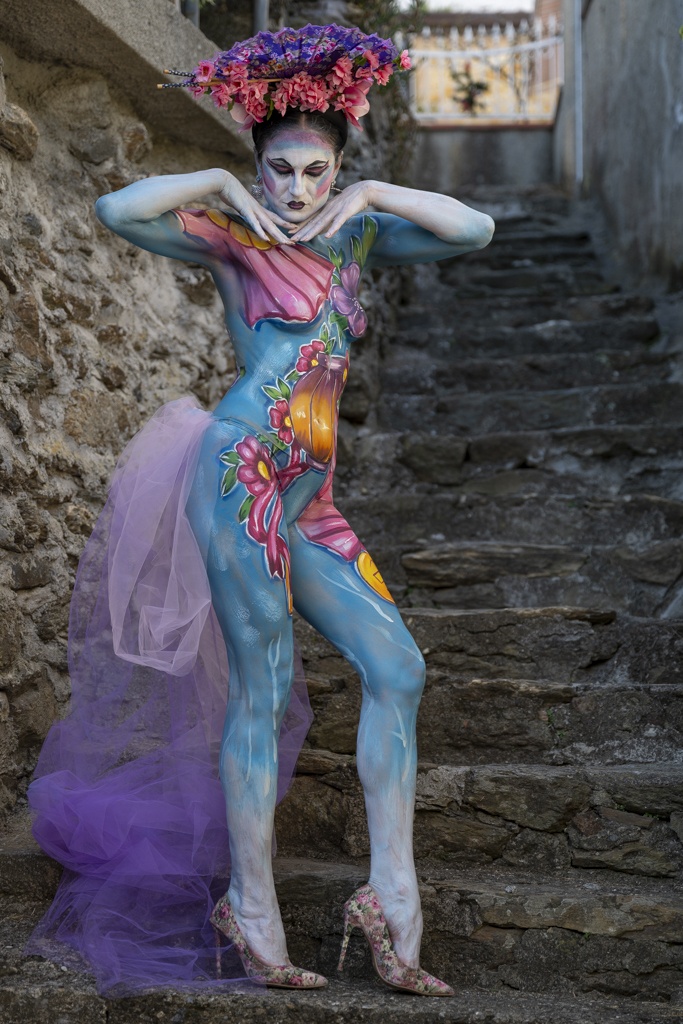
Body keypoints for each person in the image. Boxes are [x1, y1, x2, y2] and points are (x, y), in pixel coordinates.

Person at [26, 24, 494, 998]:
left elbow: (472, 229)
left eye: (315, 171)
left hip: (312, 498)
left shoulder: (357, 234)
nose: (296, 189)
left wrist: (370, 194)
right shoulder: (234, 238)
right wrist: (220, 185)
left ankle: (389, 901)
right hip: (240, 471)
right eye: (279, 170)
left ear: (337, 170)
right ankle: (250, 906)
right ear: (259, 169)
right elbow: (116, 207)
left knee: (398, 668)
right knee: (263, 682)